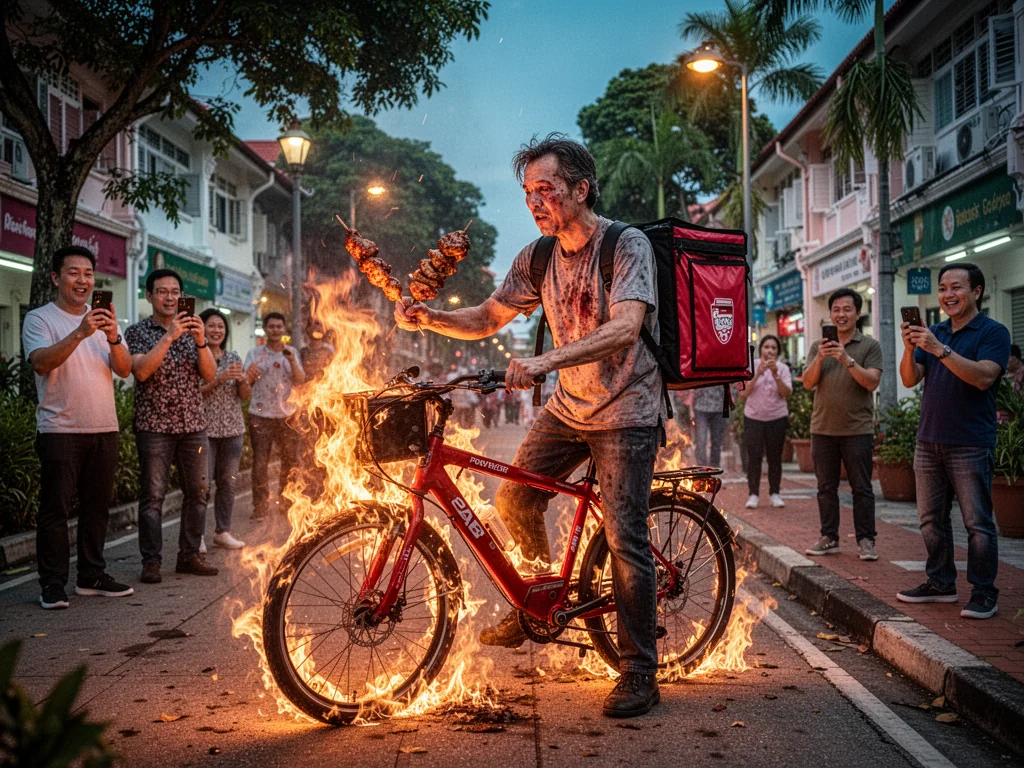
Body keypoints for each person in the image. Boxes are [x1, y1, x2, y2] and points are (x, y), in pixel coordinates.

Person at [395, 134, 665, 718]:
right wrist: (433, 317)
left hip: (627, 409)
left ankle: (640, 668)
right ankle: (539, 597)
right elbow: (489, 316)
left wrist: (544, 361)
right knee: (516, 501)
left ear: (580, 189)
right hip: (569, 407)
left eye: (546, 190)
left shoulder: (626, 245)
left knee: (626, 540)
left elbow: (624, 328)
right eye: (527, 192)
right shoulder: (538, 256)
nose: (535, 202)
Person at [22, 245, 135, 609]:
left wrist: (114, 335)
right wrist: (80, 333)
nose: (82, 280)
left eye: (88, 273)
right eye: (73, 272)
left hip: (104, 427)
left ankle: (91, 576)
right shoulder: (40, 319)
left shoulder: (103, 322)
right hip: (59, 429)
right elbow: (40, 363)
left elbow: (123, 368)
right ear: (56, 278)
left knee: (97, 507)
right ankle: (52, 584)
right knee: (56, 509)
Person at [897, 264, 1010, 620]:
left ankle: (983, 592)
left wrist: (940, 349)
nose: (948, 295)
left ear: (976, 291)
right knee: (930, 519)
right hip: (928, 439)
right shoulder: (936, 331)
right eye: (943, 288)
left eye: (956, 287)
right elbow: (910, 379)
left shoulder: (993, 332)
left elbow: (984, 378)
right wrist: (909, 348)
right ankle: (941, 583)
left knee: (977, 522)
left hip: (970, 441)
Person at [127, 269, 219, 583]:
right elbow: (141, 371)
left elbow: (209, 375)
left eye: (175, 291)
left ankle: (189, 555)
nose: (170, 297)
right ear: (149, 296)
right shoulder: (138, 332)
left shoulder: (195, 331)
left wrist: (201, 341)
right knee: (153, 495)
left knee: (199, 492)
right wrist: (170, 336)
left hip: (193, 423)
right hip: (154, 425)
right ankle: (151, 562)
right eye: (163, 291)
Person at [801, 288, 883, 561]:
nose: (841, 314)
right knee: (826, 488)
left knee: (862, 488)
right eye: (836, 310)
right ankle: (829, 537)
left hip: (857, 430)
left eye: (847, 309)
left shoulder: (869, 345)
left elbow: (871, 382)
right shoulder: (817, 347)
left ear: (858, 313)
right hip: (822, 428)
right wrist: (822, 357)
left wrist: (846, 359)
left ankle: (866, 540)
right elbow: (808, 382)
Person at [244, 312, 305, 519]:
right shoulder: (255, 354)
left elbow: (300, 380)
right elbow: (246, 381)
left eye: (279, 326)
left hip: (287, 415)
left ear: (284, 329)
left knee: (289, 461)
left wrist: (292, 362)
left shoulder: (291, 352)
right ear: (265, 328)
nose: (275, 330)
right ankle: (260, 505)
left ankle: (286, 502)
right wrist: (249, 375)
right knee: (260, 462)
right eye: (271, 326)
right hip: (260, 415)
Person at [198, 309, 248, 550]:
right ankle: (196, 536)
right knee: (202, 485)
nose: (216, 330)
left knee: (228, 483)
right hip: (204, 429)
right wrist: (219, 378)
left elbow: (244, 396)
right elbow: (196, 390)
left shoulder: (234, 357)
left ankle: (223, 531)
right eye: (212, 326)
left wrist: (245, 381)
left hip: (233, 429)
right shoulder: (196, 356)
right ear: (202, 329)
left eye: (220, 326)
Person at [738, 335, 792, 509]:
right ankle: (753, 494)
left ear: (778, 352)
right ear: (760, 349)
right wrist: (758, 373)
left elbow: (786, 393)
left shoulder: (783, 368)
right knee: (754, 459)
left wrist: (775, 374)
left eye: (774, 348)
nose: (769, 350)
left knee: (775, 458)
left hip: (777, 419)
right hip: (753, 418)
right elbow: (742, 393)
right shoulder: (751, 366)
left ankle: (775, 493)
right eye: (766, 347)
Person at [691, 385, 727, 469]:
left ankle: (715, 466)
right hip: (700, 409)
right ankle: (701, 466)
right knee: (701, 439)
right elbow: (692, 389)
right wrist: (691, 410)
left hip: (719, 409)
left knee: (716, 440)